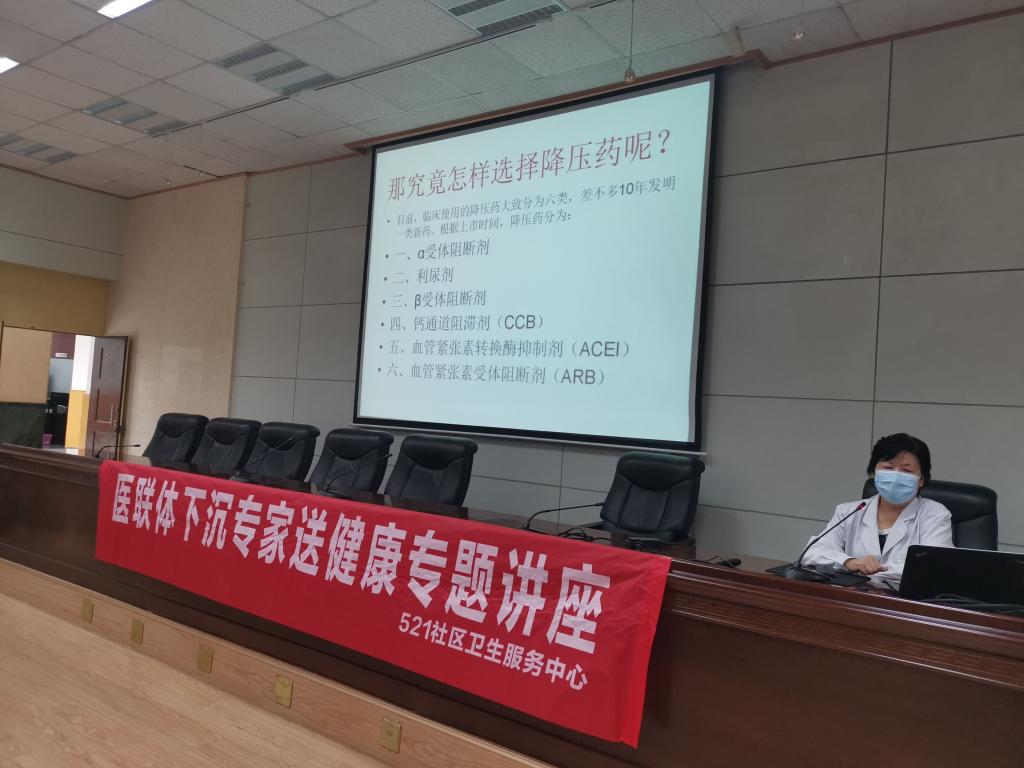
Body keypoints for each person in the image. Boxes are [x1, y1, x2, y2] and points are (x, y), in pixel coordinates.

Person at [802, 433, 953, 580]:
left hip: (907, 595)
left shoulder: (934, 514)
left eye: (906, 470)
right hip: (853, 594)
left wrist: (874, 570)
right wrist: (850, 562)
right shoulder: (849, 512)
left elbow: (935, 565)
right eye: (888, 467)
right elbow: (812, 553)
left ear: (921, 480)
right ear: (874, 473)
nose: (896, 476)